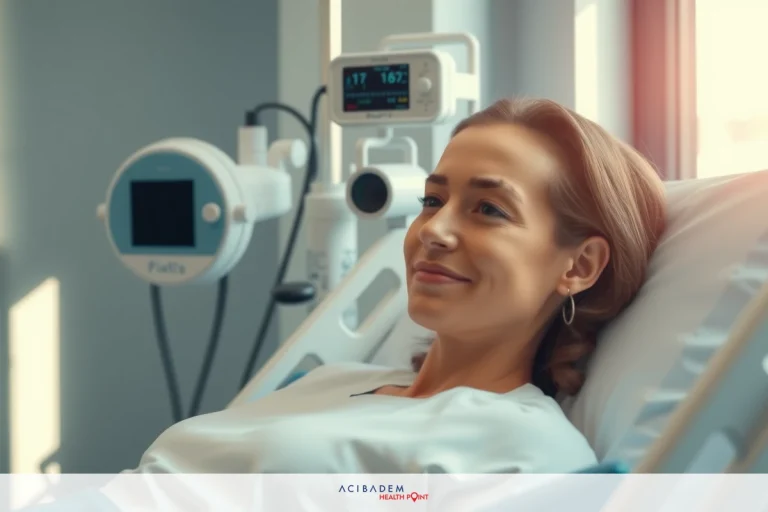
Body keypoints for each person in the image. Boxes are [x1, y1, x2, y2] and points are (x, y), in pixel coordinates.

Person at [126, 97, 667, 476]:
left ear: (579, 266)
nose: (433, 230)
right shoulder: (334, 381)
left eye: (488, 209)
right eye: (432, 201)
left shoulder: (524, 450)